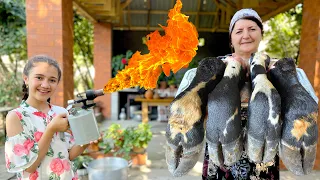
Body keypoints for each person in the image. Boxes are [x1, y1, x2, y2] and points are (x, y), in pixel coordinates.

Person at [175, 9, 319, 180]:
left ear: (261, 33)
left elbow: (309, 108)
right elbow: (184, 113)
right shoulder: (208, 72)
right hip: (220, 157)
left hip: (263, 159)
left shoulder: (281, 71)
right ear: (231, 38)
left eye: (252, 29)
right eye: (239, 31)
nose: (246, 35)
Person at [5, 55, 93, 179]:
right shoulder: (15, 117)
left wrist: (85, 140)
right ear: (26, 79)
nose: (45, 85)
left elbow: (69, 155)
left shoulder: (61, 112)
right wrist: (51, 129)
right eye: (39, 78)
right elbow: (29, 167)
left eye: (52, 80)